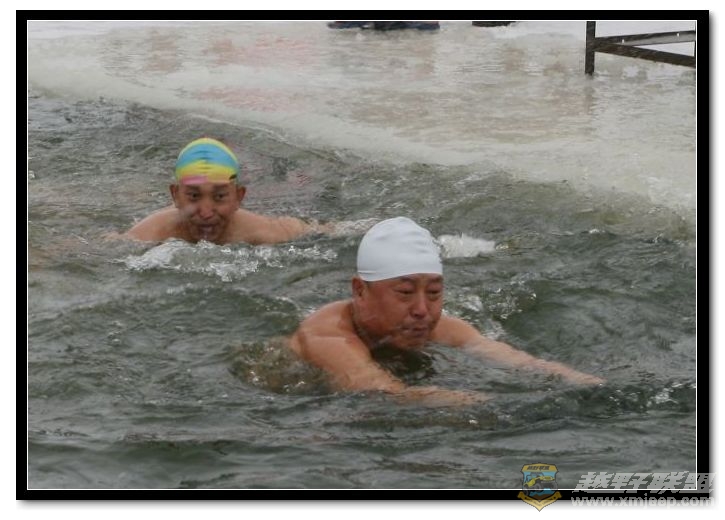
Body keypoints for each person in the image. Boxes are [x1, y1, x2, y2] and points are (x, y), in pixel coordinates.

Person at [289, 217, 605, 407]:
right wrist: (497, 406)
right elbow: (382, 392)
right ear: (360, 290)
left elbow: (518, 361)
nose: (422, 310)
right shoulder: (327, 337)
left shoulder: (433, 325)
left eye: (434, 293)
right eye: (405, 293)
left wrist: (590, 385)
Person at [124, 137, 328, 245]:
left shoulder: (267, 232)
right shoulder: (148, 234)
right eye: (194, 196)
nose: (206, 212)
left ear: (239, 197)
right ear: (175, 196)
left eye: (219, 196)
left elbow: (325, 231)